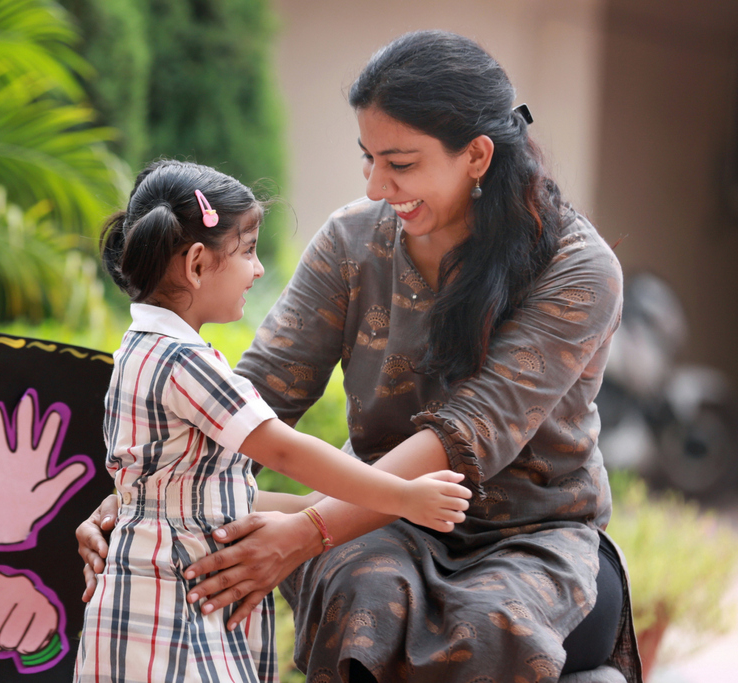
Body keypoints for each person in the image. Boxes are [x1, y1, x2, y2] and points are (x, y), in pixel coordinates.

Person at [78, 31, 642, 683]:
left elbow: (464, 434)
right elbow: (251, 397)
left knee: (487, 621)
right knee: (362, 594)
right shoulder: (351, 240)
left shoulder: (578, 268)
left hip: (532, 539)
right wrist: (126, 505)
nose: (377, 187)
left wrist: (307, 530)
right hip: (377, 523)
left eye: (399, 163)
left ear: (477, 155)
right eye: (367, 158)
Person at [73, 159, 472, 683]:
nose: (258, 269)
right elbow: (284, 450)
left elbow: (199, 490)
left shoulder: (139, 350)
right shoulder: (185, 363)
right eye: (246, 252)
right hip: (177, 599)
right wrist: (401, 496)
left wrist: (314, 511)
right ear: (196, 264)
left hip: (147, 590)